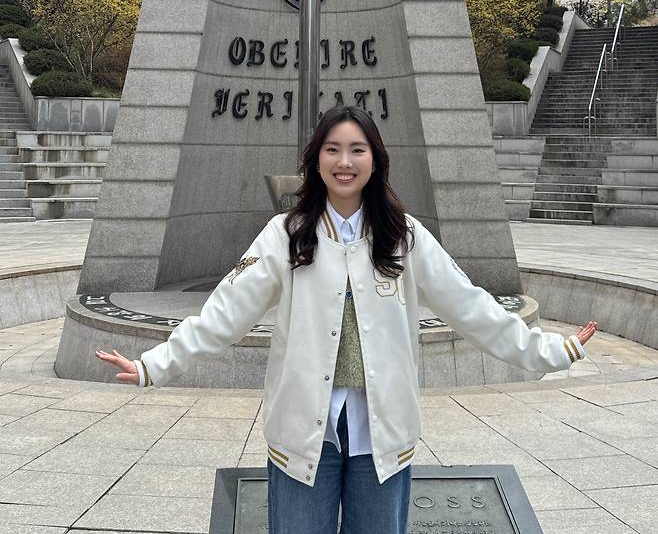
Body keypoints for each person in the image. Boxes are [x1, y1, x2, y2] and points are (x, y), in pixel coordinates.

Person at [97, 105, 598, 533]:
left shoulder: (403, 237)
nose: (344, 162)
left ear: (375, 160)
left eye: (357, 149)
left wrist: (548, 351)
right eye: (332, 149)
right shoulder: (286, 235)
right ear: (316, 160)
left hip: (382, 434)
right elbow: (225, 313)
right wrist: (153, 365)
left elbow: (471, 307)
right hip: (302, 435)